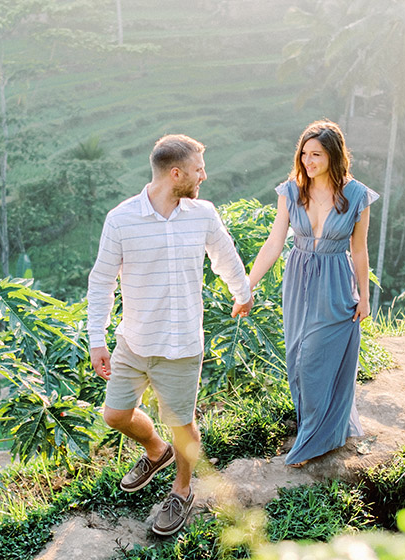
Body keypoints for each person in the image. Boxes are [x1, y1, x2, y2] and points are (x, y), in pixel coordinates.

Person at [87, 134, 252, 536]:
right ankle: (155, 450)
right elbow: (102, 281)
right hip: (134, 341)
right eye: (198, 170)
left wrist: (242, 292)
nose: (204, 176)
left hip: (180, 345)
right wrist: (97, 339)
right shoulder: (121, 219)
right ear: (175, 174)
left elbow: (225, 257)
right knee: (115, 415)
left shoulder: (203, 214)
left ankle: (182, 490)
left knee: (183, 424)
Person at [246, 120, 379, 468]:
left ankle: (313, 440)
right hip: (300, 278)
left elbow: (360, 250)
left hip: (336, 279)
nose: (308, 161)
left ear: (334, 156)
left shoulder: (358, 196)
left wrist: (364, 296)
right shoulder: (291, 191)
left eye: (316, 154)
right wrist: (248, 284)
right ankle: (315, 427)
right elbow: (275, 242)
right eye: (304, 154)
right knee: (299, 358)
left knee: (321, 357)